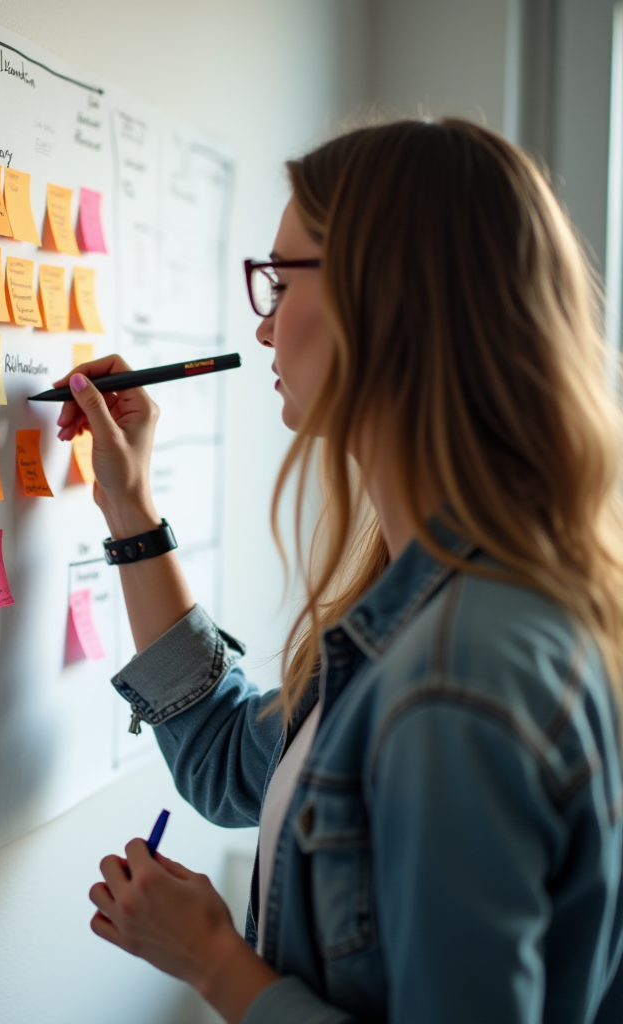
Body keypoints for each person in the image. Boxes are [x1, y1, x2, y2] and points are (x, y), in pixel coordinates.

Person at [52, 119, 623, 1024]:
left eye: (282, 280)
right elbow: (227, 755)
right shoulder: (427, 603)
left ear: (389, 298)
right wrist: (128, 506)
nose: (265, 320)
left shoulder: (457, 672)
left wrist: (213, 963)